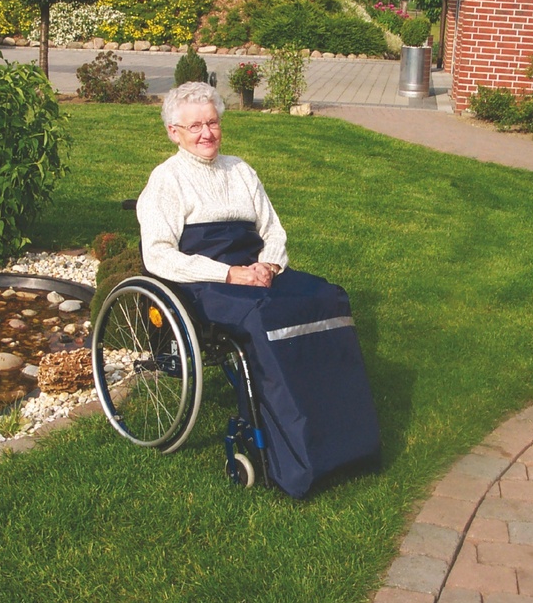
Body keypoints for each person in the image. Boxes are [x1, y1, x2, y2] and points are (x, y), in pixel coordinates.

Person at [137, 81, 379, 497]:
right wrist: (230, 275)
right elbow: (158, 255)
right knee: (266, 317)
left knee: (327, 298)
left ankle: (351, 440)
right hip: (206, 281)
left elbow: (272, 230)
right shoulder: (166, 180)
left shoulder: (241, 170)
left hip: (257, 268)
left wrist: (267, 264)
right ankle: (295, 457)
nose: (206, 134)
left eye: (212, 122)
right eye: (194, 126)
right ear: (173, 132)